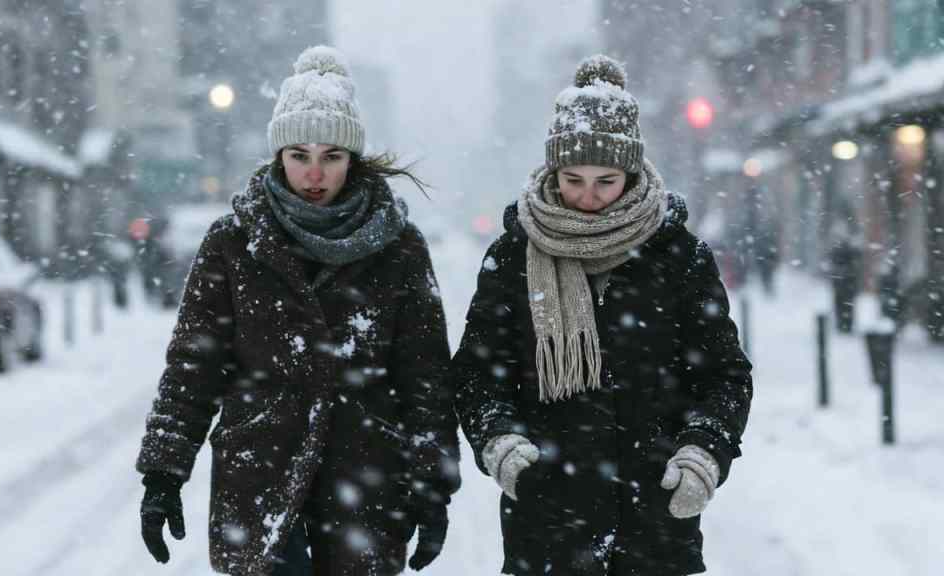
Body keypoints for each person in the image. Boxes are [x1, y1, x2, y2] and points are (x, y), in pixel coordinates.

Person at [136, 46, 460, 576]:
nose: (314, 174)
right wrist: (164, 472)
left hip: (366, 474)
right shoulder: (232, 242)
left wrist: (433, 484)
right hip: (259, 471)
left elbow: (424, 377)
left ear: (352, 158)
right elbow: (194, 366)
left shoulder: (399, 248)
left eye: (331, 156)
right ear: (278, 155)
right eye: (299, 155)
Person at [451, 55, 753, 575]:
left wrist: (703, 452)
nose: (587, 198)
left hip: (654, 524)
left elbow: (724, 376)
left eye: (605, 181)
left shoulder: (677, 257)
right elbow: (477, 373)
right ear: (552, 170)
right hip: (547, 522)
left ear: (631, 174)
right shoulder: (514, 256)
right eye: (572, 179)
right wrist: (500, 441)